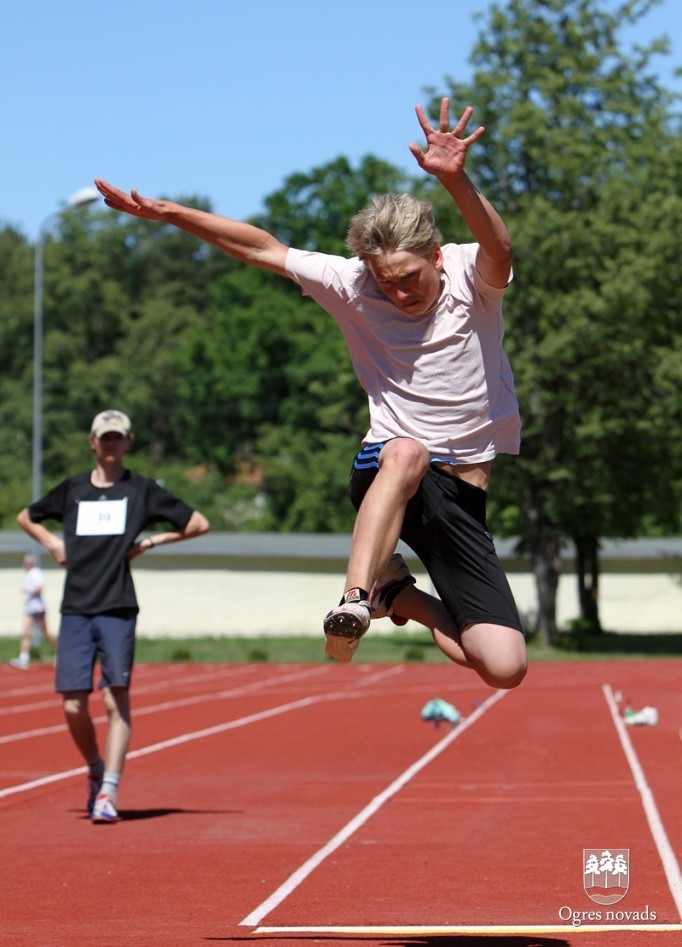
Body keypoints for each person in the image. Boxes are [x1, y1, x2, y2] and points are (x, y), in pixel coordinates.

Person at [94, 96, 526, 688]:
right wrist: (169, 212)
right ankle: (353, 598)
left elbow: (500, 247)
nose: (397, 294)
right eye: (385, 282)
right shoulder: (351, 283)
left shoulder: (472, 275)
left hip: (463, 495)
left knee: (503, 667)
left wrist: (456, 180)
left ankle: (394, 591)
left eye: (409, 279)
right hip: (389, 472)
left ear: (435, 254)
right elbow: (260, 247)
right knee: (407, 449)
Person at [16, 409, 210, 823]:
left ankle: (109, 792)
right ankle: (94, 767)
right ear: (92, 442)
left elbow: (198, 523)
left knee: (114, 696)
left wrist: (151, 542)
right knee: (72, 704)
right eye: (104, 438)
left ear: (128, 442)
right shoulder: (71, 490)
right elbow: (25, 517)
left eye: (117, 437)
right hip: (77, 607)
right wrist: (52, 542)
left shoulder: (140, 490)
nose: (110, 444)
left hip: (118, 605)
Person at [9, 554, 57, 669]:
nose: (23, 564)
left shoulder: (37, 573)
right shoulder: (30, 574)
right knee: (25, 632)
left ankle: (61, 652)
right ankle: (24, 659)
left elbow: (39, 589)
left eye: (25, 562)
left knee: (45, 632)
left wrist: (28, 590)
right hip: (30, 608)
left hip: (38, 607)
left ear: (29, 563)